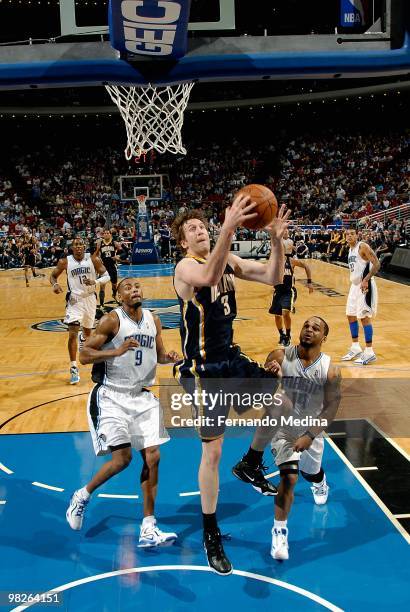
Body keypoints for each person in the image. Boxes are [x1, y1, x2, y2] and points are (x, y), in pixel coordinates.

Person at [171, 194, 290, 575]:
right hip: (204, 373)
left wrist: (276, 240)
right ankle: (210, 532)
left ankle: (252, 463)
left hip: (231, 359)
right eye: (193, 228)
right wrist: (230, 227)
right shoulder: (186, 267)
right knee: (213, 453)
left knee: (283, 398)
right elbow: (207, 277)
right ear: (183, 241)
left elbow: (273, 276)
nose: (200, 230)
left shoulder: (230, 261)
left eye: (203, 226)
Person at [66, 277, 180, 546]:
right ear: (118, 297)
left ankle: (149, 527)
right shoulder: (111, 321)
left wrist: (170, 357)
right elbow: (84, 355)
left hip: (142, 397)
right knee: (122, 460)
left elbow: (159, 354)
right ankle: (82, 495)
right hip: (112, 396)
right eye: (127, 288)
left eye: (137, 286)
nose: (135, 290)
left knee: (153, 457)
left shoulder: (154, 320)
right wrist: (116, 351)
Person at [233, 317, 341, 560]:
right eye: (306, 326)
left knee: (309, 473)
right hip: (282, 428)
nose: (309, 330)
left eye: (316, 328)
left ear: (324, 338)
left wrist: (311, 435)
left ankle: (320, 481)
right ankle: (279, 532)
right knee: (289, 478)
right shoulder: (280, 356)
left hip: (310, 430)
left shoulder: (330, 370)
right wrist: (271, 378)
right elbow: (258, 394)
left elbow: (332, 408)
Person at [50, 236, 109, 384]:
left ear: (84, 246)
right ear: (72, 247)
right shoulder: (65, 261)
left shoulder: (93, 259)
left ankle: (84, 341)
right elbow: (53, 276)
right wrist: (55, 285)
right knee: (72, 334)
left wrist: (95, 281)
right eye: (75, 244)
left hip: (90, 298)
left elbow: (107, 276)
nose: (78, 247)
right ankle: (73, 367)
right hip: (74, 299)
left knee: (88, 334)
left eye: (81, 244)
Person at [342, 228, 380, 365]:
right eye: (347, 234)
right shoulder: (350, 249)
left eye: (352, 233)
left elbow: (377, 264)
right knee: (350, 315)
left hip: (365, 285)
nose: (349, 236)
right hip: (354, 286)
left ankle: (369, 351)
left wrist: (366, 280)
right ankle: (355, 346)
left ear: (357, 235)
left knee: (364, 317)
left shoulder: (362, 246)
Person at [269, 254, 314, 347]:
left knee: (285, 313)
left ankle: (288, 336)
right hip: (278, 291)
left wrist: (309, 282)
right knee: (277, 315)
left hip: (289, 291)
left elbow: (306, 266)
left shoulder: (290, 261)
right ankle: (282, 335)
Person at [94, 228, 121, 307]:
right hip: (103, 267)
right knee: (102, 285)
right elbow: (96, 254)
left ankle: (114, 295)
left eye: (108, 233)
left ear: (110, 234)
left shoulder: (114, 243)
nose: (106, 234)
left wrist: (118, 256)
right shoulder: (99, 243)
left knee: (114, 285)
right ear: (103, 235)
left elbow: (122, 251)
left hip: (112, 266)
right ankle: (101, 304)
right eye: (105, 233)